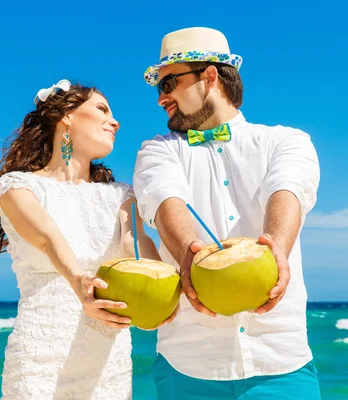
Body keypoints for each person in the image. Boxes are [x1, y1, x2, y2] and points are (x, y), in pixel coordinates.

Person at [134, 27, 322, 399]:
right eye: (159, 88)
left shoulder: (285, 141)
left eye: (169, 82)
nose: (161, 98)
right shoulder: (157, 151)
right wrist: (190, 254)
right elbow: (165, 200)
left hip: (280, 363)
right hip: (187, 364)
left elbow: (288, 188)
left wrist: (277, 249)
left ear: (210, 76)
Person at [0, 79, 169, 399]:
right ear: (66, 116)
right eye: (102, 109)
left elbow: (135, 243)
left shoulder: (121, 195)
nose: (115, 121)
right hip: (41, 358)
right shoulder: (16, 187)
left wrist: (173, 289)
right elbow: (48, 237)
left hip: (108, 363)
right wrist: (81, 284)